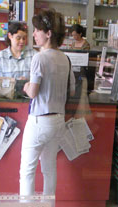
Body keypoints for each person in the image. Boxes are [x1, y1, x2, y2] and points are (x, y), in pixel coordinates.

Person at [19, 9, 75, 197]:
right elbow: (72, 90)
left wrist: (26, 86)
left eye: (37, 30)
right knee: (49, 170)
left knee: (27, 171)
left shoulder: (39, 57)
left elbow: (33, 92)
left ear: (48, 33)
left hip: (39, 121)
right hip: (58, 120)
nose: (34, 34)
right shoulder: (65, 59)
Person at [0, 21, 35, 88]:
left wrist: (28, 82)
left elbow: (40, 80)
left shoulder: (34, 55)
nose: (22, 41)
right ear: (10, 36)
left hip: (28, 97)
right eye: (18, 38)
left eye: (24, 38)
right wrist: (15, 82)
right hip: (6, 97)